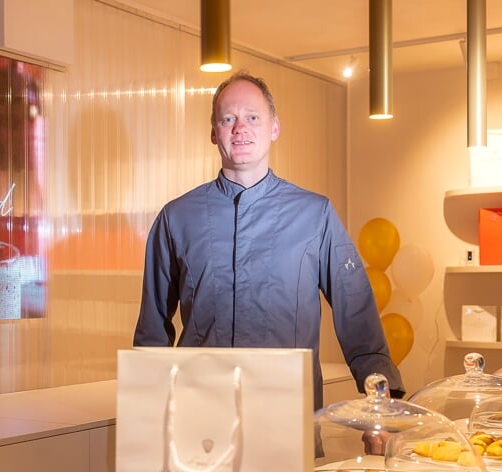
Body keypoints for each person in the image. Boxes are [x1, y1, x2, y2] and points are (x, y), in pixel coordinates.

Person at [132, 71, 405, 410]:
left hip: (287, 412)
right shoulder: (176, 218)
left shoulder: (315, 214)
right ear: (213, 133)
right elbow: (152, 332)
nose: (239, 128)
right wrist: (145, 413)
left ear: (275, 127)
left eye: (252, 117)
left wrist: (384, 400)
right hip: (200, 417)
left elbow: (357, 313)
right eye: (227, 119)